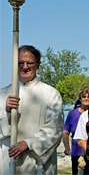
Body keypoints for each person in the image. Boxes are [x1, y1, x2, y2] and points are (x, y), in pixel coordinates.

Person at [0, 45, 64, 174]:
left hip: (36, 160)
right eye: (20, 63)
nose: (24, 67)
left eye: (29, 63)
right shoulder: (3, 94)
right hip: (7, 160)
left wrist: (28, 143)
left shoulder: (51, 94)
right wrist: (5, 111)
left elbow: (54, 128)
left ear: (38, 64)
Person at [62, 87, 89, 175]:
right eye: (83, 96)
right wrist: (67, 147)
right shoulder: (72, 114)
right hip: (76, 151)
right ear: (80, 98)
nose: (86, 98)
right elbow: (65, 132)